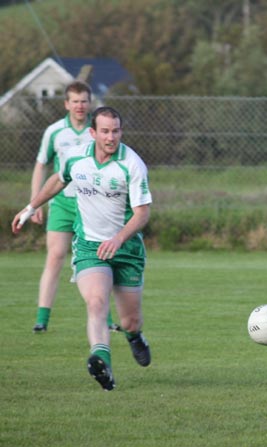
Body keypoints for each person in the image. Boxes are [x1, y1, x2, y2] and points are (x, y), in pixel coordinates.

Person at [13, 106, 152, 391]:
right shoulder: (78, 158)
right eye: (105, 131)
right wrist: (31, 207)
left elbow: (142, 214)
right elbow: (57, 179)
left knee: (130, 320)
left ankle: (134, 336)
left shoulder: (132, 164)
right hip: (89, 246)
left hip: (126, 251)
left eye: (115, 131)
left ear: (121, 132)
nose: (111, 137)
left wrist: (118, 239)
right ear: (93, 133)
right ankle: (102, 360)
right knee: (96, 302)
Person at [29, 80, 119, 333]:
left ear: (90, 103)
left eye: (84, 101)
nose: (80, 106)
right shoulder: (55, 131)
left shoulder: (99, 129)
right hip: (61, 204)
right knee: (55, 256)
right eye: (75, 101)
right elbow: (41, 165)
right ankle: (42, 319)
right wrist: (36, 201)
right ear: (66, 104)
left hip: (91, 204)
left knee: (102, 258)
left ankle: (106, 318)